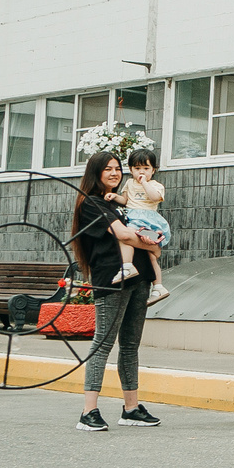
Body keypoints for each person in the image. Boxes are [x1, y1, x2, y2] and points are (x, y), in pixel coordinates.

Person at [72, 152, 162, 432]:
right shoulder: (92, 203)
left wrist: (152, 247)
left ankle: (131, 408)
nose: (114, 173)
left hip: (140, 277)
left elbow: (143, 234)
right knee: (103, 343)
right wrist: (152, 246)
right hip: (112, 278)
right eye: (107, 169)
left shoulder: (124, 201)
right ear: (95, 173)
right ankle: (88, 411)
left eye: (117, 168)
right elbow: (124, 235)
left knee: (131, 345)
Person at [116, 147, 173, 307]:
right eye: (137, 168)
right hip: (134, 218)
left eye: (146, 168)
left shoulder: (156, 185)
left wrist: (144, 183)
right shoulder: (129, 183)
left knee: (127, 237)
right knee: (149, 255)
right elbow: (125, 201)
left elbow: (155, 197)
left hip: (150, 223)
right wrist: (116, 197)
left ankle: (127, 266)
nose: (142, 171)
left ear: (153, 170)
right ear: (131, 170)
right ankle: (158, 287)